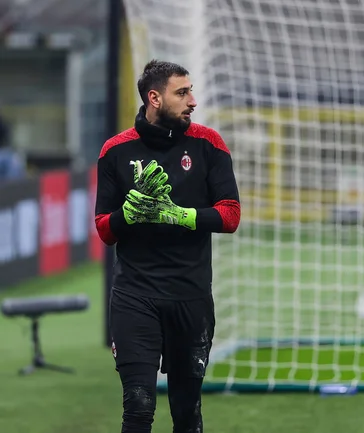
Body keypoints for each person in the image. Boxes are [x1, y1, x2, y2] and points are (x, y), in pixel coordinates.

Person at [94, 59, 241, 433]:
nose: (193, 100)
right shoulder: (115, 151)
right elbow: (104, 229)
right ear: (154, 98)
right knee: (139, 407)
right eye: (183, 92)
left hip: (190, 297)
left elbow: (230, 215)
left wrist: (179, 215)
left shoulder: (209, 143)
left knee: (187, 413)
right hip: (134, 297)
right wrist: (130, 213)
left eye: (190, 90)